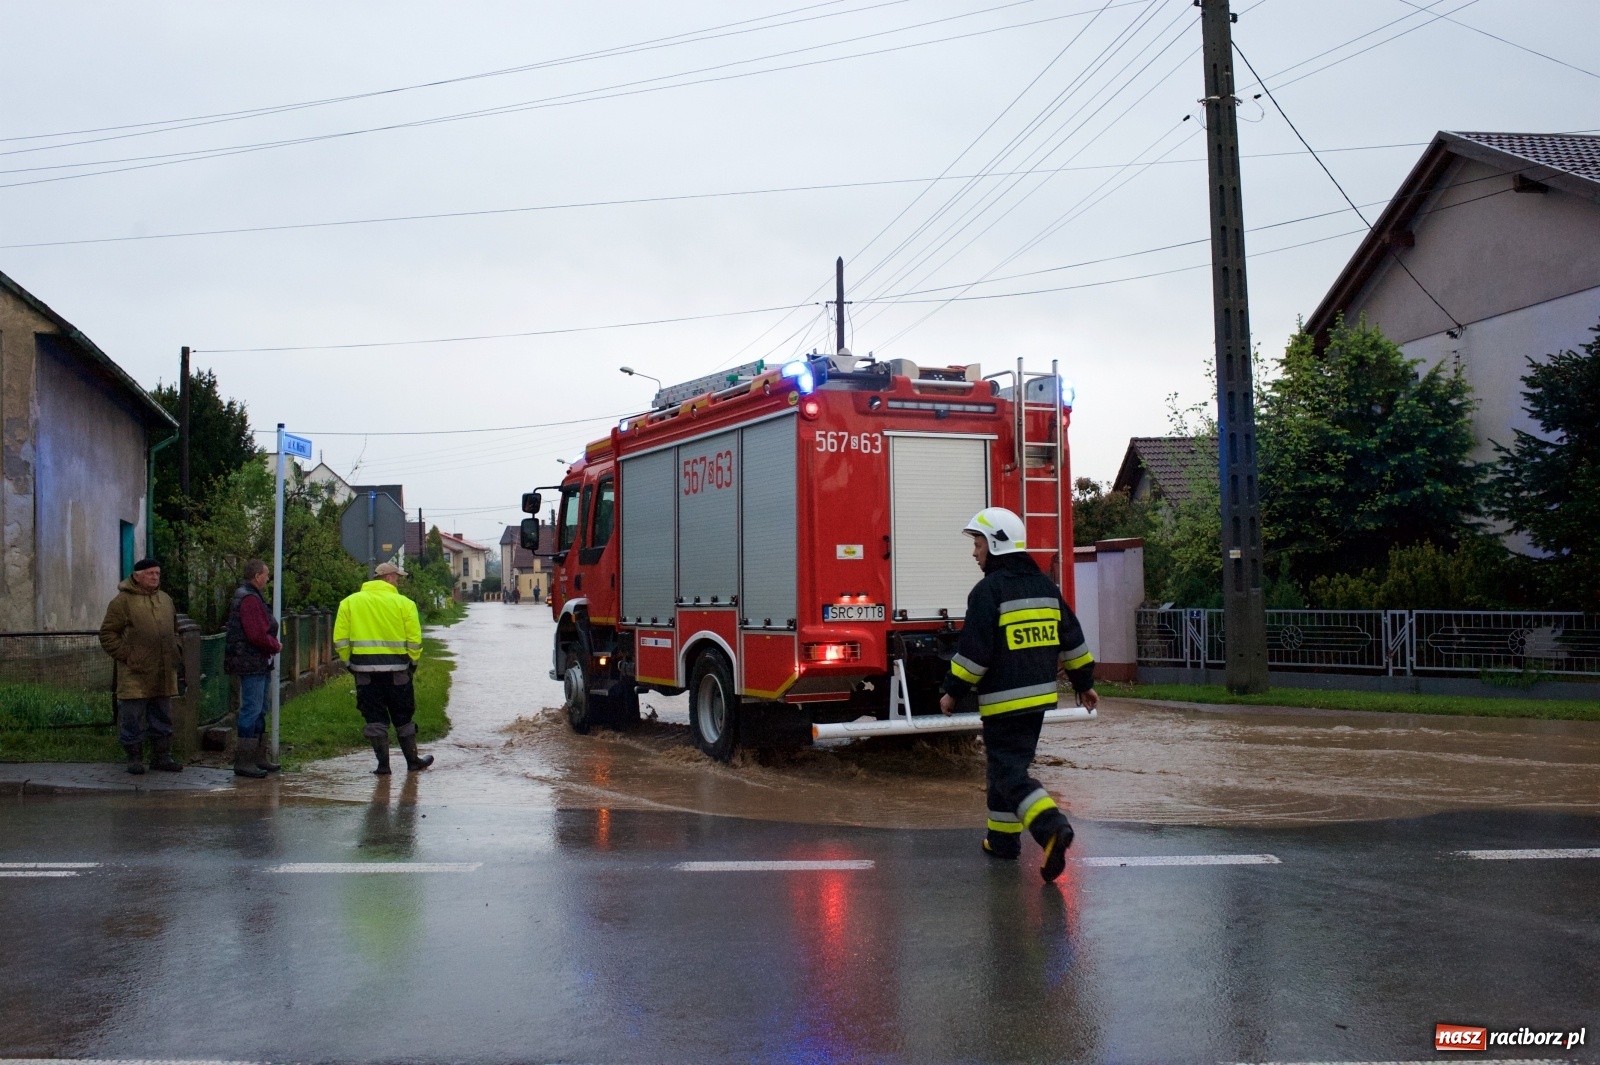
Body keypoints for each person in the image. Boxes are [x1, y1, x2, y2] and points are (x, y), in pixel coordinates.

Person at [939, 507, 1097, 883]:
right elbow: (1072, 640)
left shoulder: (987, 591)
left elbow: (974, 653)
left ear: (995, 543)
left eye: (978, 543)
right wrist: (1083, 683)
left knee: (1010, 775)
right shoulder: (1046, 587)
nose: (974, 552)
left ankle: (1050, 828)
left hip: (1003, 703)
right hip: (1038, 703)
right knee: (1003, 769)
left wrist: (951, 691)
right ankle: (1003, 842)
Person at [333, 561, 432, 775]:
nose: (398, 582)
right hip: (398, 670)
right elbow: (414, 639)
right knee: (403, 716)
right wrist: (413, 662)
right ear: (388, 578)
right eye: (397, 577)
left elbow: (340, 638)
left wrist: (348, 662)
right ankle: (412, 761)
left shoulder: (349, 602)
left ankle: (383, 765)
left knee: (374, 717)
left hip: (364, 672)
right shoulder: (404, 604)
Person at [98, 558, 183, 774]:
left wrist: (176, 649)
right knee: (132, 717)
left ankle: (162, 757)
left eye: (157, 573)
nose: (155, 577)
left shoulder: (165, 600)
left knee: (162, 716)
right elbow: (108, 634)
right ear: (137, 576)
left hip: (163, 670)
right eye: (150, 573)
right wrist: (128, 655)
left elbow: (175, 629)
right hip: (135, 672)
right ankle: (134, 758)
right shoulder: (122, 602)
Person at [223, 559, 283, 779]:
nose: (268, 578)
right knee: (252, 709)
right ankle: (245, 761)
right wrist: (275, 645)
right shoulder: (249, 598)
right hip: (251, 662)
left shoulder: (249, 595)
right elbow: (256, 634)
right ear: (257, 576)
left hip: (256, 661)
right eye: (266, 574)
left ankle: (257, 757)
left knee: (260, 709)